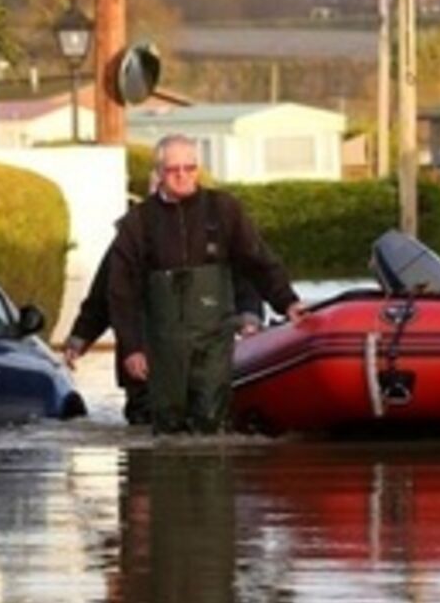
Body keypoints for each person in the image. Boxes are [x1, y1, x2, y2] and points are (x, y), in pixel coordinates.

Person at [107, 133, 305, 435]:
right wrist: (132, 348)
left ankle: (213, 474)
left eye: (191, 168)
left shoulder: (224, 209)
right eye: (174, 170)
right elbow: (121, 292)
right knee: (168, 425)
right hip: (162, 344)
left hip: (214, 336)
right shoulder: (138, 222)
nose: (183, 176)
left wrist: (287, 301)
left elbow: (258, 260)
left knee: (212, 418)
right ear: (159, 173)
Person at [62, 239, 264, 425]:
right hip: (144, 361)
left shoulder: (220, 234)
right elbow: (103, 296)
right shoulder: (131, 239)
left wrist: (250, 318)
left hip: (204, 357)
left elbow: (245, 284)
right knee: (151, 422)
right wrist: (80, 339)